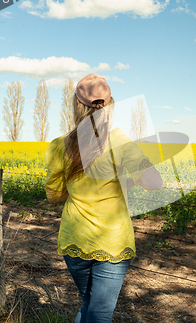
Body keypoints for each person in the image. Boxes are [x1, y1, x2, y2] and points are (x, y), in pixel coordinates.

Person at [45, 73, 163, 323]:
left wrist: (77, 185)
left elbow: (54, 196)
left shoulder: (59, 146)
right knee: (99, 312)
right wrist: (127, 180)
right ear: (109, 105)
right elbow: (155, 183)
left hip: (75, 238)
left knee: (89, 305)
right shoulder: (119, 140)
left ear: (77, 105)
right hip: (112, 242)